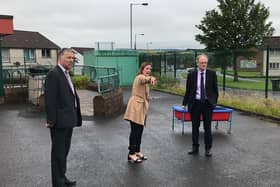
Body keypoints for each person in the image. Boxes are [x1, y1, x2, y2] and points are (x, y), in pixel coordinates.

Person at [45, 48, 82, 187]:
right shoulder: (53, 74)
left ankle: (62, 177)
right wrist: (51, 120)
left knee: (64, 153)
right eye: (68, 57)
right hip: (59, 122)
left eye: (73, 58)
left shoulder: (66, 73)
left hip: (68, 120)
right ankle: (58, 183)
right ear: (60, 57)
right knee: (58, 155)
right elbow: (50, 100)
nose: (71, 60)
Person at [182, 54, 218, 157]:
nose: (204, 65)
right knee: (195, 127)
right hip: (195, 103)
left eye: (205, 63)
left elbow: (215, 90)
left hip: (207, 104)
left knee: (207, 127)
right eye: (202, 63)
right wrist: (184, 103)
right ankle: (195, 147)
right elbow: (188, 90)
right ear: (197, 63)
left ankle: (208, 148)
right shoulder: (191, 74)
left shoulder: (212, 74)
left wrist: (214, 102)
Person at [124, 62, 157, 163]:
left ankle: (137, 151)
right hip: (135, 107)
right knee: (135, 131)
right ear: (142, 69)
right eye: (147, 69)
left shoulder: (144, 79)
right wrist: (151, 78)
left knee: (140, 130)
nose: (148, 71)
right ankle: (131, 153)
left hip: (141, 107)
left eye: (150, 69)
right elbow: (144, 79)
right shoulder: (139, 77)